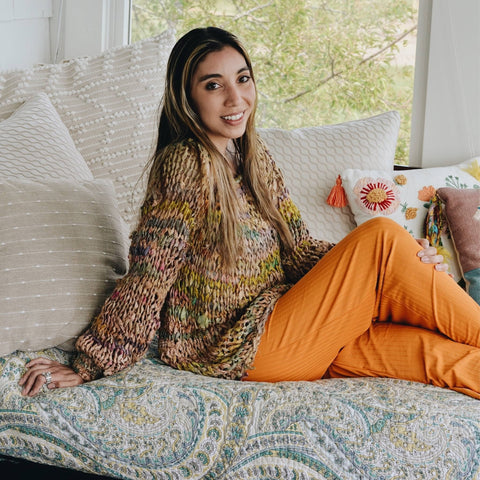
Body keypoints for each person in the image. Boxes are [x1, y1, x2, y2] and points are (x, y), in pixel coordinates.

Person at [19, 27, 480, 399]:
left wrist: (381, 272)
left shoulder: (251, 158)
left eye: (242, 78)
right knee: (381, 235)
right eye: (213, 85)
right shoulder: (186, 162)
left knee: (449, 359)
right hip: (249, 346)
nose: (235, 98)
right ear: (187, 97)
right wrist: (90, 363)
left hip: (300, 332)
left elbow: (299, 251)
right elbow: (150, 271)